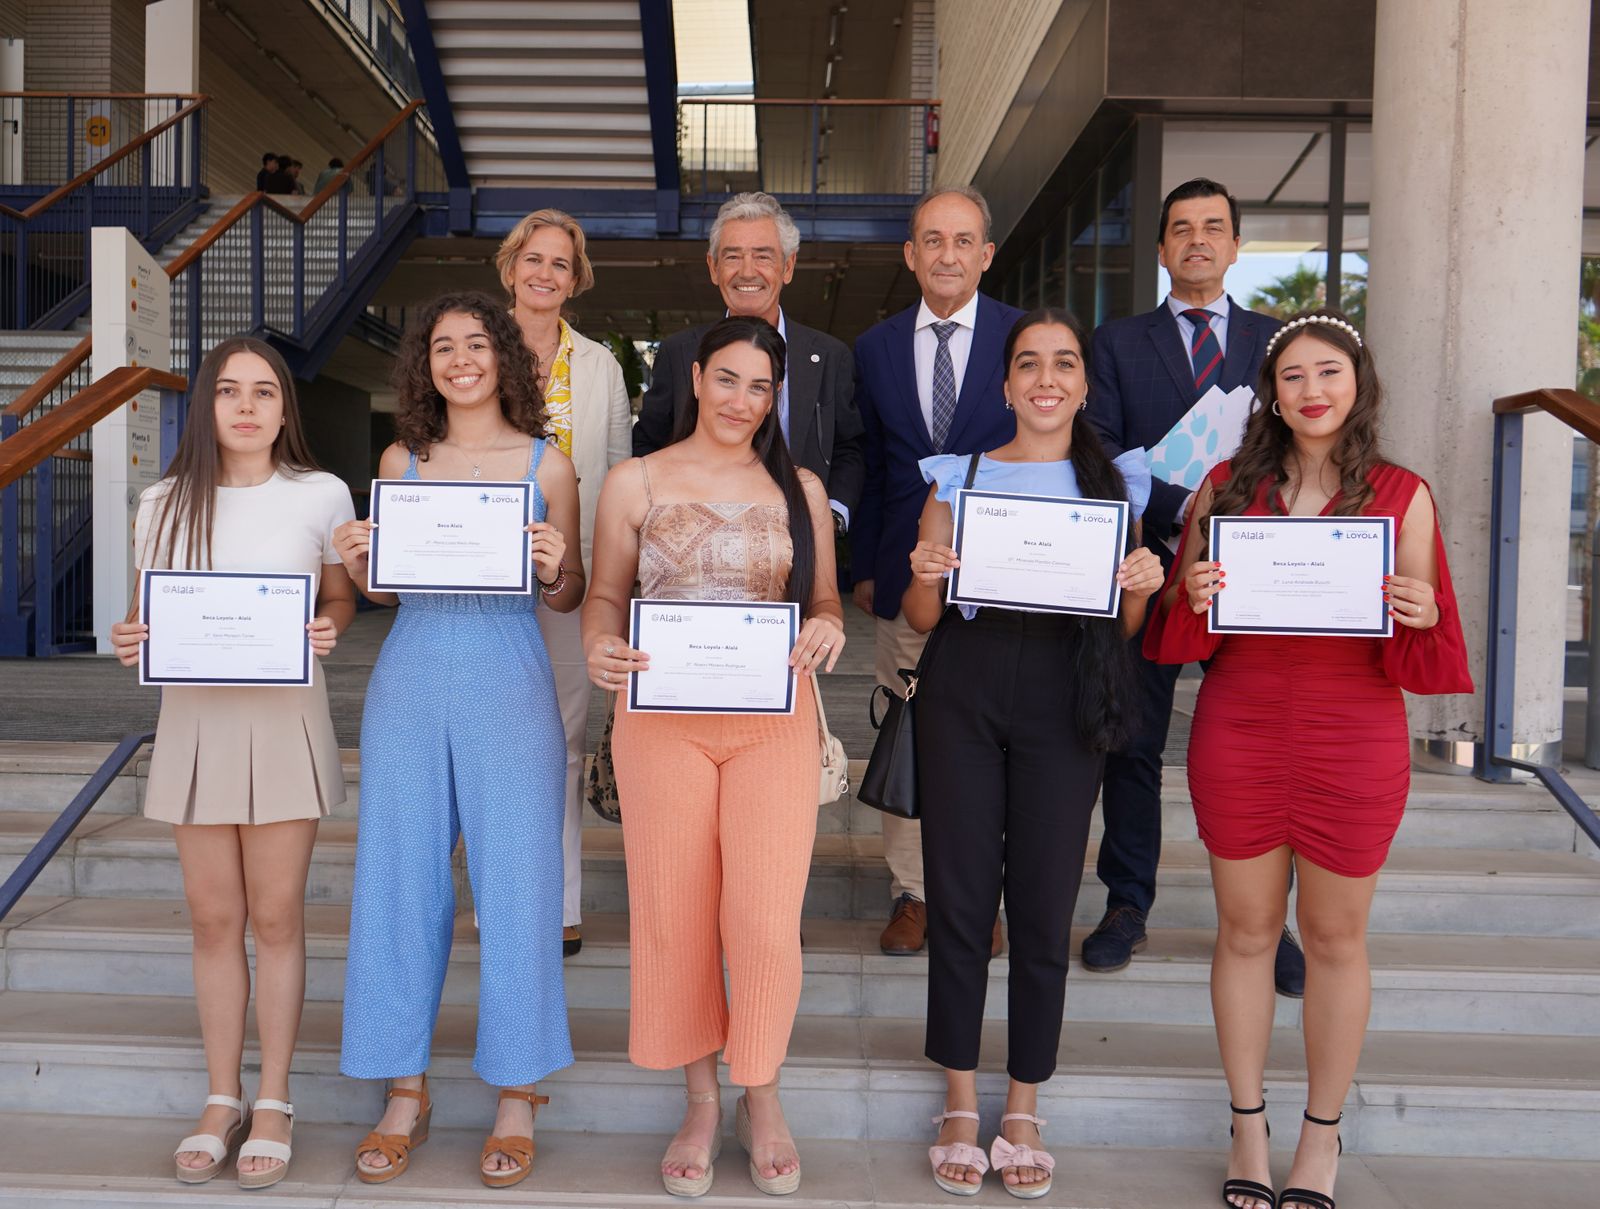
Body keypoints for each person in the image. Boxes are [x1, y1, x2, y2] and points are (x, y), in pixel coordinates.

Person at [1145, 310, 1472, 1209]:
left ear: (1357, 384)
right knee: (1246, 932)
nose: (1312, 390)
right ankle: (1247, 1127)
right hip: (1241, 723)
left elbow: (1431, 645)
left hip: (1353, 731)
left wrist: (1419, 608)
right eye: (1292, 377)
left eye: (1328, 373)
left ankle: (1318, 1137)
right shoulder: (1224, 484)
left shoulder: (1404, 493)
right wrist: (1194, 587)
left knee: (1333, 938)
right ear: (1272, 394)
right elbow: (1176, 628)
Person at [905, 308, 1164, 1200]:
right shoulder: (960, 473)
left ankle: (1021, 1104)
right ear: (1007, 384)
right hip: (965, 690)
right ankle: (956, 1099)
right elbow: (921, 618)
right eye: (1028, 364)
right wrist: (926, 572)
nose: (1046, 378)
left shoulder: (1119, 478)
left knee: (1047, 901)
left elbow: (1123, 627)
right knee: (962, 895)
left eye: (1064, 364)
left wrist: (1142, 584)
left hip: (1067, 695)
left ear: (1084, 384)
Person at [583, 316, 845, 1198]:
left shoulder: (799, 486)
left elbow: (828, 600)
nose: (743, 400)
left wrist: (827, 628)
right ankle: (700, 1100)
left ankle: (759, 1095)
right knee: (675, 912)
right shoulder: (635, 480)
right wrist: (598, 648)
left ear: (778, 396)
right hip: (659, 722)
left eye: (761, 386)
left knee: (765, 921)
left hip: (772, 722)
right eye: (728, 379)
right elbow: (606, 597)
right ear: (695, 378)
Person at [333, 291, 584, 1189]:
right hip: (410, 677)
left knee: (518, 882)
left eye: (477, 343)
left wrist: (558, 566)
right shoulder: (403, 456)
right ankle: (406, 1087)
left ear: (504, 357)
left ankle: (516, 1092)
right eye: (443, 346)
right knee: (399, 878)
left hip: (509, 676)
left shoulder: (549, 465)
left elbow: (568, 592)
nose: (461, 359)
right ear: (425, 364)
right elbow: (391, 592)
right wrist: (363, 568)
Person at [109, 337, 358, 1191]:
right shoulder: (162, 501)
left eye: (264, 392)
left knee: (279, 915)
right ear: (205, 405)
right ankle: (223, 1097)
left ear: (287, 408)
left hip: (284, 716)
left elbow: (339, 594)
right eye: (229, 391)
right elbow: (148, 615)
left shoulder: (322, 493)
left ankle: (278, 1097)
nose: (246, 406)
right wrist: (129, 636)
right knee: (213, 919)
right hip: (196, 721)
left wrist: (332, 624)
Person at [1083, 177, 1307, 995]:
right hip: (1149, 567)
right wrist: (1187, 504)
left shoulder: (1278, 338)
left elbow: (1300, 444)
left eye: (1215, 227)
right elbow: (1100, 445)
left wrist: (1233, 513)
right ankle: (1126, 904)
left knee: (1255, 750)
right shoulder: (1115, 343)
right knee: (1133, 744)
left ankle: (1266, 922)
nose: (1199, 241)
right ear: (1161, 249)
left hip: (1250, 572)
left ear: (1238, 245)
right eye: (1182, 228)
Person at [850, 184, 1022, 956]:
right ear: (910, 255)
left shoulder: (1029, 340)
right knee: (909, 731)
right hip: (905, 576)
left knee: (992, 742)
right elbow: (869, 463)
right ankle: (914, 893)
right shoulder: (876, 345)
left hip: (1009, 582)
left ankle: (979, 897)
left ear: (986, 254)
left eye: (964, 241)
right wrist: (863, 566)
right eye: (932, 240)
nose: (947, 254)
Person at [497, 207, 631, 957]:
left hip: (567, 574)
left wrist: (609, 574)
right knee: (495, 739)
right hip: (478, 576)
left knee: (563, 738)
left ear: (574, 278)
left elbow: (612, 475)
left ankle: (561, 900)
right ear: (511, 265)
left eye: (560, 263)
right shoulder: (474, 343)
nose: (545, 273)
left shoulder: (601, 365)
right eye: (533, 259)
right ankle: (498, 896)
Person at [632, 192, 864, 530]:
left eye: (763, 256)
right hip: (700, 541)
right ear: (713, 267)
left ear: (788, 266)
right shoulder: (679, 352)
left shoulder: (830, 356)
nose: (747, 272)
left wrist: (828, 516)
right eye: (732, 256)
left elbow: (849, 449)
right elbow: (649, 442)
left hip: (801, 541)